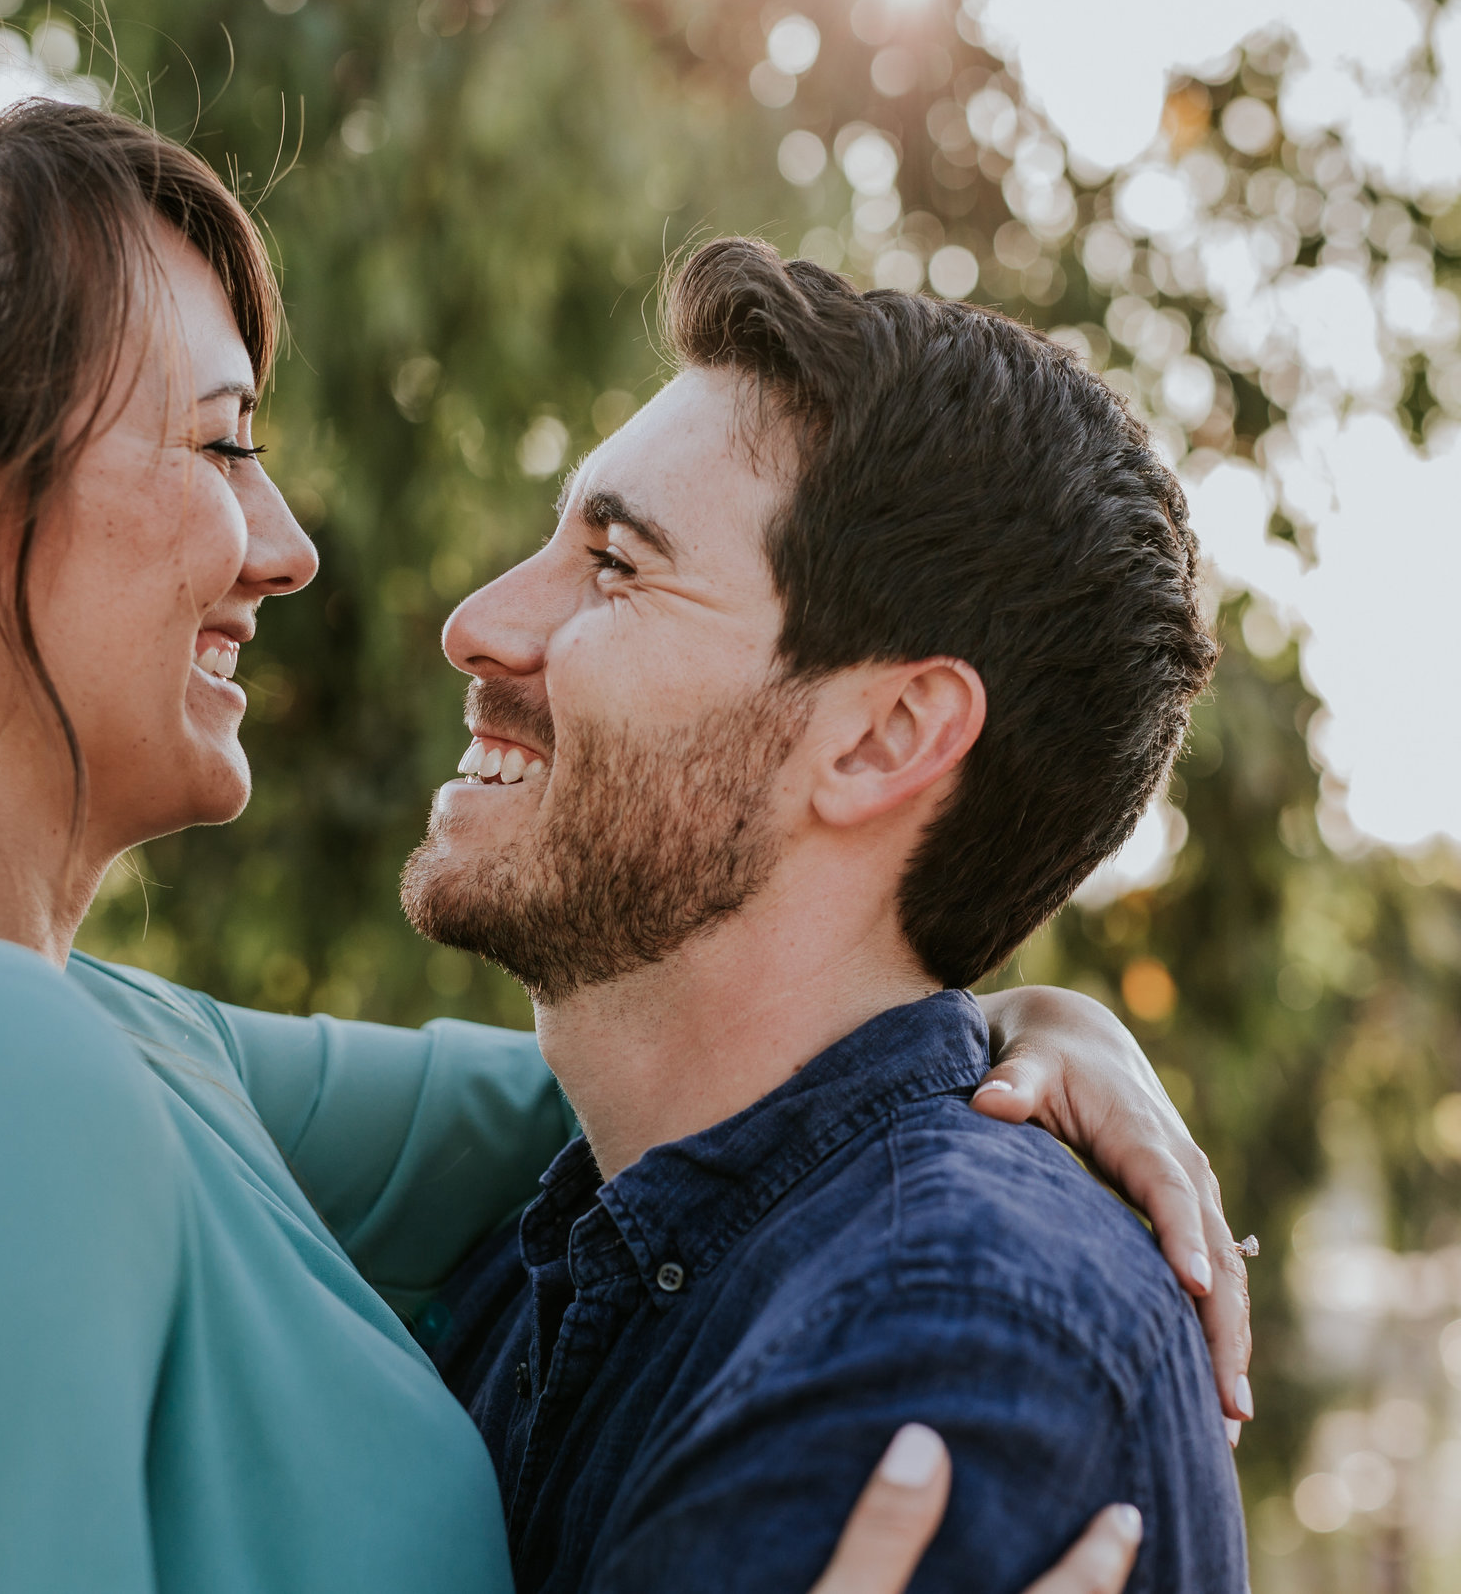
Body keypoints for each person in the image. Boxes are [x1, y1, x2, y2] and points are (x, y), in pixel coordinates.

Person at [0, 83, 1237, 1594]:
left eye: (613, 561)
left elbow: (689, 1101)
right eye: (218, 441)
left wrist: (1007, 1025)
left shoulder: (94, 1049)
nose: (290, 547)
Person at [406, 239, 1250, 1592]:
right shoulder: (563, 1239)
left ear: (882, 738)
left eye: (614, 565)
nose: (480, 625)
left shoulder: (945, 1345)